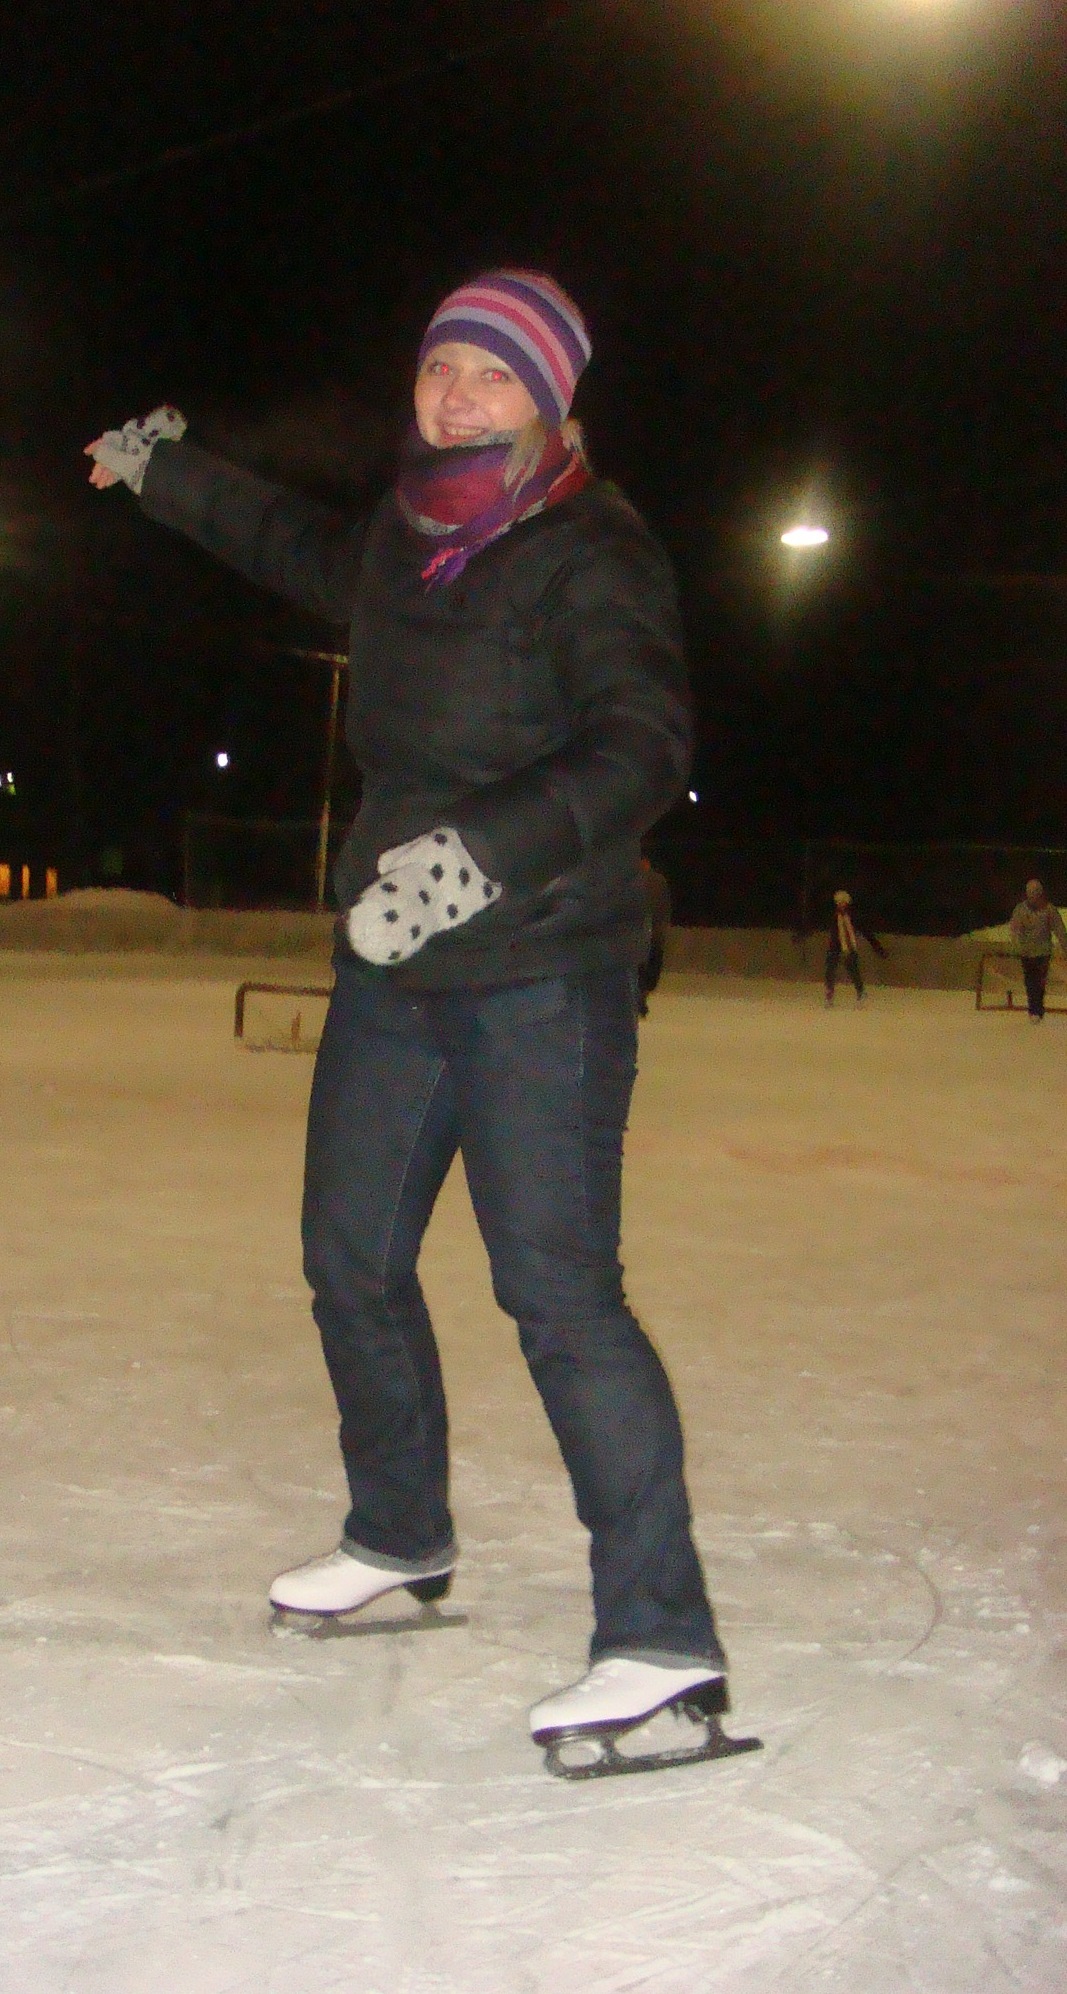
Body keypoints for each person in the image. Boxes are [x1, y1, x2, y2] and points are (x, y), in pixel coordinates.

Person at [85, 271, 747, 1778]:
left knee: (558, 1296)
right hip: (394, 966)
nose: (455, 394)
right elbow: (293, 544)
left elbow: (640, 744)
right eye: (441, 364)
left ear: (549, 399)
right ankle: (399, 1533)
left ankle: (661, 1642)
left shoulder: (592, 550)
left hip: (540, 969)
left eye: (490, 374)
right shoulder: (402, 536)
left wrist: (477, 858)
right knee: (351, 1259)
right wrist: (169, 471)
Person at [1009, 878, 1067, 1022]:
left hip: (1043, 953)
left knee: (1039, 982)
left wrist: (1065, 947)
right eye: (1031, 893)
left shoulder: (1049, 910)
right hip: (1027, 953)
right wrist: (1016, 946)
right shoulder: (1021, 910)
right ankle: (1033, 1009)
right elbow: (1015, 929)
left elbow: (1059, 930)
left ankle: (1037, 1009)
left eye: (1036, 893)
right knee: (1030, 981)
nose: (1033, 897)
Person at [824, 889, 886, 1006]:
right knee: (830, 967)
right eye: (839, 903)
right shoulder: (834, 916)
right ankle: (829, 992)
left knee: (852, 968)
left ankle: (860, 991)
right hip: (835, 946)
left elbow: (866, 932)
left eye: (843, 902)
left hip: (850, 945)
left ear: (847, 903)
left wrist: (877, 947)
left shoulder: (854, 917)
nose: (841, 905)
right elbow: (833, 932)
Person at [637, 854, 672, 1016]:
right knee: (650, 970)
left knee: (642, 970)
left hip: (643, 934)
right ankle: (640, 998)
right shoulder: (658, 881)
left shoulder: (633, 881)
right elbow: (664, 907)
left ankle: (639, 998)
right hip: (653, 934)